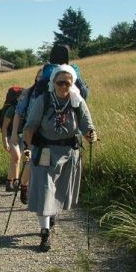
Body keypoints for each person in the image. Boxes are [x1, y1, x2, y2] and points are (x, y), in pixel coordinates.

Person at [22, 64, 98, 252]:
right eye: (60, 83)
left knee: (59, 191)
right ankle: (45, 232)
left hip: (68, 154)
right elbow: (30, 127)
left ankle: (51, 216)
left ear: (72, 84)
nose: (64, 86)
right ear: (53, 83)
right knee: (45, 189)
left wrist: (91, 135)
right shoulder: (43, 100)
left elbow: (87, 126)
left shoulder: (77, 101)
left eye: (67, 83)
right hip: (45, 151)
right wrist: (27, 148)